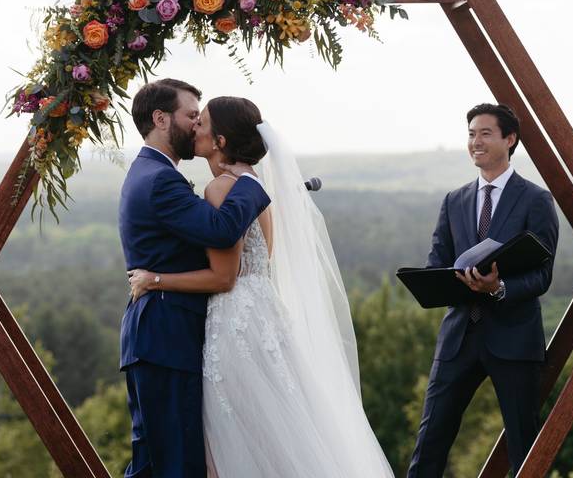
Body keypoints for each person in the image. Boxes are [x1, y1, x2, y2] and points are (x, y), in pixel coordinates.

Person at [128, 96, 394, 478]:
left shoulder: (221, 189)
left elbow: (225, 277)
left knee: (231, 442)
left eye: (201, 123)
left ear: (220, 140)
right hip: (264, 313)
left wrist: (154, 279)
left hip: (235, 321)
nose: (194, 129)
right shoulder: (255, 188)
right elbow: (258, 264)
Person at [118, 80, 270, 478]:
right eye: (190, 116)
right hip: (165, 338)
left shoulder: (152, 171)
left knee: (161, 463)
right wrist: (251, 181)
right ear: (160, 118)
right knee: (174, 463)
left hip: (165, 338)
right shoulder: (160, 179)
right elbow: (221, 232)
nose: (195, 126)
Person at [408, 103, 559, 477]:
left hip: (514, 340)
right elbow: (436, 264)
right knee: (429, 444)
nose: (476, 142)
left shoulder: (536, 200)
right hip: (459, 337)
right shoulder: (454, 200)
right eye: (471, 134)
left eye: (485, 133)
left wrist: (500, 286)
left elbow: (542, 276)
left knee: (525, 448)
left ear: (510, 139)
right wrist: (439, 282)